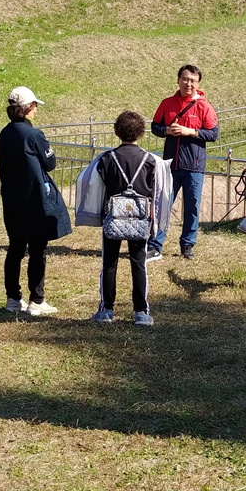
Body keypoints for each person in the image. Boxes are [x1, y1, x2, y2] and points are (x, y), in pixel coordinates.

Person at [90, 111, 166, 327]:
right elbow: (155, 190)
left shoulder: (106, 159)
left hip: (113, 217)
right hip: (140, 218)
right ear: (141, 132)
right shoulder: (150, 160)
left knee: (109, 263)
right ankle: (141, 311)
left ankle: (106, 309)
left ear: (117, 131)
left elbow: (98, 185)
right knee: (138, 262)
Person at [0, 86, 60, 316]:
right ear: (26, 108)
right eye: (33, 106)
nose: (35, 110)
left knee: (15, 248)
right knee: (37, 249)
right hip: (34, 199)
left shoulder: (4, 133)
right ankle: (36, 299)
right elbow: (50, 163)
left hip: (13, 199)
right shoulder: (34, 135)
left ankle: (13, 298)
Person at [148, 64, 219, 261]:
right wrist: (165, 131)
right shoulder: (167, 103)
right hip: (170, 165)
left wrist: (192, 132)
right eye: (185, 79)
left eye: (193, 81)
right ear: (178, 80)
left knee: (192, 207)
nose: (188, 83)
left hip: (194, 167)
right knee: (162, 205)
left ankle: (188, 244)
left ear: (198, 84)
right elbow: (155, 126)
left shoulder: (204, 106)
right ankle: (155, 245)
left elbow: (213, 134)